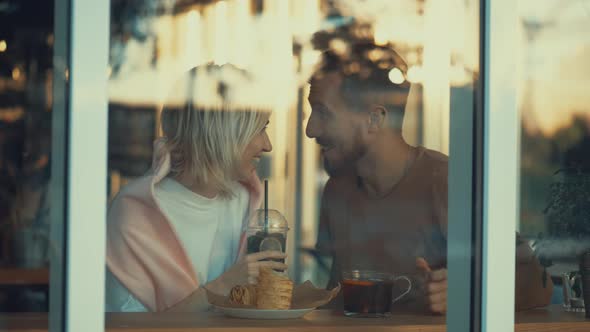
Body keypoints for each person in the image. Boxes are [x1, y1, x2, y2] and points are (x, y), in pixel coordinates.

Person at [306, 42, 553, 313]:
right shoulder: (336, 191)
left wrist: (466, 290)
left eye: (322, 113)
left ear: (375, 120)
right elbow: (337, 297)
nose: (310, 129)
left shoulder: (448, 182)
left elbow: (538, 285)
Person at [105, 64, 286, 312]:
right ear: (224, 134)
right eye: (261, 129)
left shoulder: (245, 203)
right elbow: (127, 327)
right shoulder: (135, 214)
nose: (268, 146)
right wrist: (226, 285)